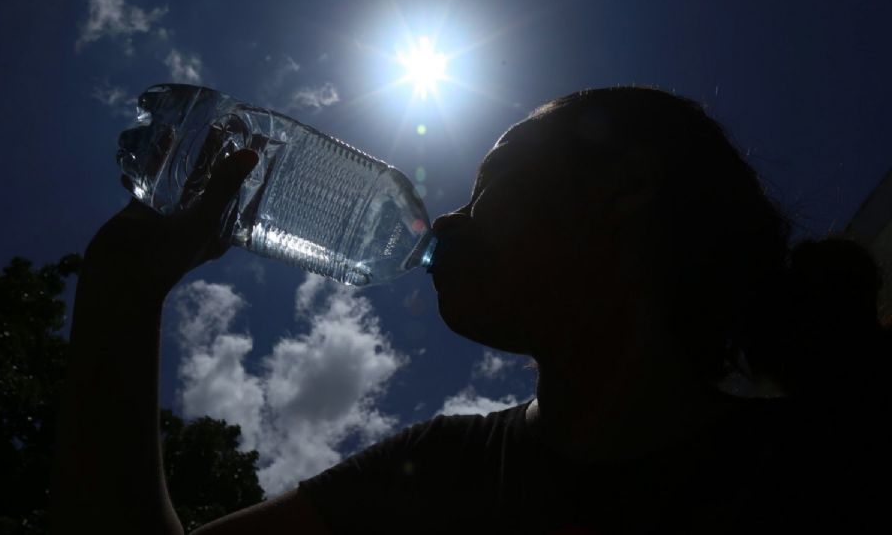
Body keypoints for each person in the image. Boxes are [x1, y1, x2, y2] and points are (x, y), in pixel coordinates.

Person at [50, 87, 883, 534]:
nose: (448, 219)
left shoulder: (830, 467)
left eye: (492, 184)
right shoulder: (435, 471)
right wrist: (122, 291)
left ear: (626, 186)